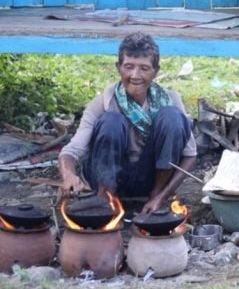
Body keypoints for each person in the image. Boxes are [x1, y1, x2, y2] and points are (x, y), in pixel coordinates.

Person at [58, 32, 197, 213]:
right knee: (111, 121)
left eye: (144, 68)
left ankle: (152, 199)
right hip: (108, 176)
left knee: (171, 117)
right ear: (118, 67)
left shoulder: (171, 100)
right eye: (128, 67)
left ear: (156, 71)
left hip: (150, 180)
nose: (135, 75)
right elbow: (71, 151)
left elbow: (190, 155)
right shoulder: (103, 102)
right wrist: (68, 175)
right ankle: (106, 200)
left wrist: (161, 196)